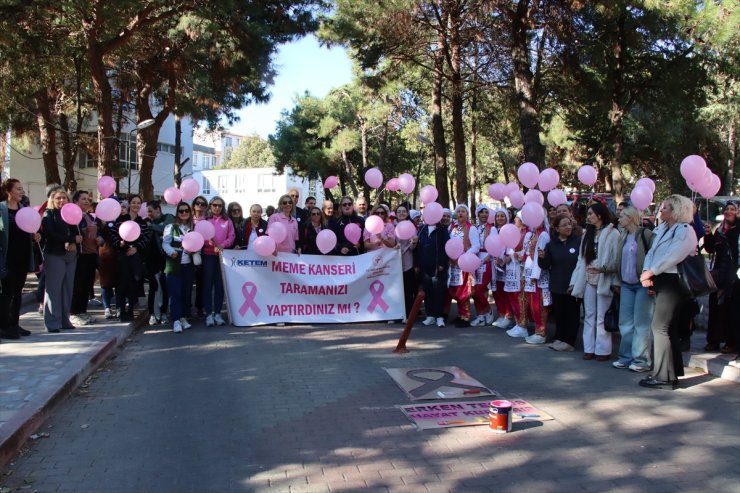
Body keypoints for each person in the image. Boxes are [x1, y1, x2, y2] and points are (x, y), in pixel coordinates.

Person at [639, 194, 699, 389]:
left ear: (676, 211)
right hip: (661, 279)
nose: (661, 210)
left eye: (665, 208)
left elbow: (673, 255)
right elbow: (652, 252)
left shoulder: (685, 230)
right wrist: (647, 273)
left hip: (673, 282)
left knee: (660, 327)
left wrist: (652, 271)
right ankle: (670, 373)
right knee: (667, 328)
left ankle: (662, 376)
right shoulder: (663, 228)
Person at [569, 202, 619, 361]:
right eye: (588, 214)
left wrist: (615, 281)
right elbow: (580, 260)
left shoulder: (613, 233)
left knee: (602, 315)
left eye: (591, 213)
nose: (588, 216)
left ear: (600, 215)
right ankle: (589, 347)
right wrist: (574, 281)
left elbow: (616, 259)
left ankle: (603, 350)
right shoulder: (587, 234)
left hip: (605, 278)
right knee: (589, 314)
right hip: (588, 278)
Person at [612, 206, 655, 371]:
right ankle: (625, 357)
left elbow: (654, 256)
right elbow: (618, 261)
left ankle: (641, 360)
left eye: (622, 216)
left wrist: (652, 281)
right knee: (625, 323)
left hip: (642, 284)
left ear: (630, 217)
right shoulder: (623, 236)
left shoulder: (645, 234)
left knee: (641, 323)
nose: (619, 218)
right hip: (626, 284)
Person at [0, 179, 40, 339]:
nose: (22, 192)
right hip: (7, 257)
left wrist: (35, 236)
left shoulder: (24, 209)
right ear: (8, 191)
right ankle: (3, 326)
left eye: (22, 189)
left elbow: (30, 229)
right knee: (7, 293)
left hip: (23, 256)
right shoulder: (1, 209)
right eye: (18, 189)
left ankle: (15, 324)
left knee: (18, 292)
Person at [41, 189, 81, 333]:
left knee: (67, 288)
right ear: (52, 199)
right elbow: (50, 234)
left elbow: (76, 231)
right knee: (53, 289)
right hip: (54, 254)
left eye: (64, 198)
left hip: (71, 255)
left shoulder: (70, 212)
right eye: (58, 198)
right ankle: (52, 323)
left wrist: (74, 241)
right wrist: (70, 239)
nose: (62, 201)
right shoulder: (49, 214)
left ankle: (65, 320)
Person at [539, 214, 581, 351]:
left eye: (569, 224)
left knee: (572, 314)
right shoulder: (551, 245)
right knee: (560, 314)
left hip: (573, 285)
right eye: (564, 225)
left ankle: (569, 341)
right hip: (557, 285)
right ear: (557, 228)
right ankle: (560, 338)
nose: (568, 227)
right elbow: (545, 265)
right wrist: (541, 258)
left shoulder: (578, 241)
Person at [703, 201, 739, 354]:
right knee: (716, 307)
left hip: (733, 274)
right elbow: (711, 248)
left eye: (733, 209)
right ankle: (714, 340)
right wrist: (708, 234)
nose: (729, 212)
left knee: (730, 309)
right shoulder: (721, 229)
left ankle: (731, 342)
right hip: (718, 273)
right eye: (727, 209)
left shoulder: (737, 229)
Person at [111, 195, 149, 322]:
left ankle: (131, 309)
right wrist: (120, 244)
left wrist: (136, 248)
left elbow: (146, 239)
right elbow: (113, 235)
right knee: (121, 284)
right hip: (122, 256)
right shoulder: (120, 220)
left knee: (134, 283)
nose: (136, 205)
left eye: (138, 203)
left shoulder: (142, 222)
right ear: (129, 204)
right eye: (134, 202)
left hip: (136, 257)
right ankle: (121, 310)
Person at [69, 190, 102, 327]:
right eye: (83, 199)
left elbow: (97, 233)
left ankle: (82, 311)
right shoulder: (73, 217)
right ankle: (74, 313)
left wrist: (100, 239)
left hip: (92, 254)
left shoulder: (90, 216)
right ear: (75, 201)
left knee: (88, 285)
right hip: (80, 255)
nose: (87, 201)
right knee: (78, 285)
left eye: (89, 199)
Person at [162, 202, 196, 333]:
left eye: (186, 211)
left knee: (186, 292)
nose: (184, 213)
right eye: (181, 211)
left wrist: (194, 250)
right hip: (174, 265)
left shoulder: (193, 228)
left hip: (188, 265)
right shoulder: (171, 227)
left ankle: (182, 317)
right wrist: (172, 252)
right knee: (175, 293)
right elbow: (165, 244)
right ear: (177, 213)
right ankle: (175, 320)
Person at [203, 196, 234, 327]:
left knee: (219, 285)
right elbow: (200, 235)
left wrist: (223, 245)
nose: (217, 207)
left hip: (222, 256)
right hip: (208, 256)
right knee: (208, 285)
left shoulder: (227, 221)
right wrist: (208, 242)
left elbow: (231, 236)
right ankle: (209, 314)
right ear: (210, 206)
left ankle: (217, 313)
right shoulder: (205, 220)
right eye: (214, 205)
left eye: (220, 205)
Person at [446, 204, 479, 327]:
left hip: (464, 263)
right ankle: (460, 314)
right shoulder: (452, 228)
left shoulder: (471, 228)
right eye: (458, 211)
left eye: (463, 211)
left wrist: (464, 256)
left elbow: (476, 246)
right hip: (453, 264)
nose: (460, 213)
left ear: (467, 214)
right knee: (455, 289)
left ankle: (465, 316)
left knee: (464, 289)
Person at [521, 210, 552, 345]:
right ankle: (537, 330)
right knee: (533, 304)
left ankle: (541, 331)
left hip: (538, 276)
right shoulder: (535, 234)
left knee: (539, 304)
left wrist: (535, 275)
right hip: (531, 273)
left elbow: (539, 257)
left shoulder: (543, 235)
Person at [416, 215, 450, 327]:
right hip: (424, 266)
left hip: (437, 267)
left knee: (439, 292)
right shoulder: (421, 229)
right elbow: (417, 248)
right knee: (428, 291)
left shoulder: (442, 230)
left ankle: (439, 316)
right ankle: (430, 315)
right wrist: (417, 264)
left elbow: (446, 248)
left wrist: (442, 263)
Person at [145, 200, 173, 325]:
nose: (149, 214)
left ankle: (163, 313)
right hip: (151, 259)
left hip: (165, 257)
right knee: (153, 286)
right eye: (148, 212)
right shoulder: (147, 221)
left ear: (158, 209)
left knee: (165, 286)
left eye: (151, 211)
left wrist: (151, 226)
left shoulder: (168, 217)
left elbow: (166, 229)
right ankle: (152, 314)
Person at [490, 208, 514, 329]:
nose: (499, 218)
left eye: (502, 216)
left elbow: (511, 247)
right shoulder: (494, 231)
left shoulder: (510, 230)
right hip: (495, 264)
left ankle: (508, 316)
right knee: (497, 290)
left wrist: (503, 259)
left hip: (506, 265)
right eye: (497, 216)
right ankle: (501, 313)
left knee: (506, 292)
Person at [470, 204, 494, 326]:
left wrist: (488, 258)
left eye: (486, 212)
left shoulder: (492, 228)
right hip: (474, 260)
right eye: (482, 212)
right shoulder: (474, 228)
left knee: (479, 289)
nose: (484, 214)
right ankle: (480, 315)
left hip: (487, 259)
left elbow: (495, 245)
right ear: (477, 214)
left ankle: (488, 311)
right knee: (475, 289)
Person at [98, 201, 122, 319]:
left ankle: (118, 306)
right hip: (105, 255)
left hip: (118, 254)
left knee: (118, 283)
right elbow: (97, 235)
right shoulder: (100, 220)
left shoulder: (121, 220)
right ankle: (107, 307)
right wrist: (102, 224)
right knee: (105, 283)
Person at [395, 204, 418, 318]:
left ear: (407, 213)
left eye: (404, 211)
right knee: (397, 290)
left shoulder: (412, 227)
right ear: (396, 214)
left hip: (408, 261)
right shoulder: (392, 227)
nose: (401, 213)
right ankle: (397, 313)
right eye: (399, 211)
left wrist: (413, 243)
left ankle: (408, 314)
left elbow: (413, 246)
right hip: (395, 262)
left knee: (408, 290)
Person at [191, 196, 208, 317]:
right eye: (198, 203)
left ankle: (199, 307)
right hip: (188, 252)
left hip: (203, 252)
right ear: (193, 205)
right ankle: (185, 308)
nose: (200, 206)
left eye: (203, 204)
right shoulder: (188, 218)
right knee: (187, 282)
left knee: (201, 283)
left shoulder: (208, 220)